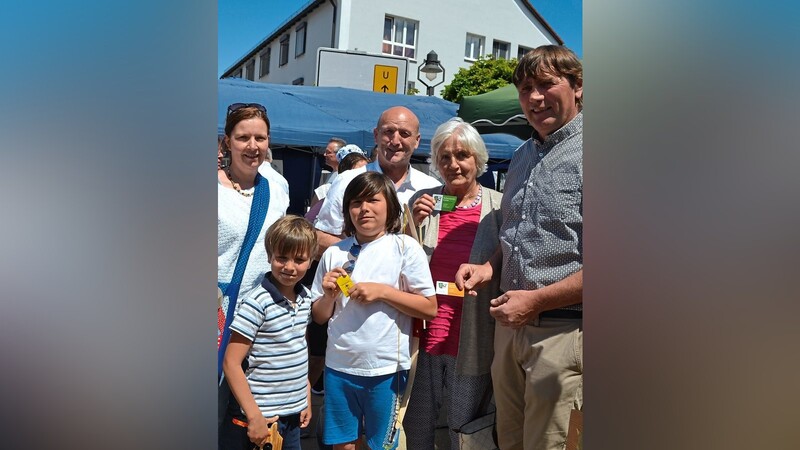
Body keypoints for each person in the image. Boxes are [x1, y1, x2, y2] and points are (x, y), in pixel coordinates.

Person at [455, 45, 583, 450]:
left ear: (578, 87)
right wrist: (489, 267)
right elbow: (515, 232)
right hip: (510, 331)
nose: (535, 97)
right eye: (526, 88)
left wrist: (537, 300)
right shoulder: (523, 154)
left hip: (563, 333)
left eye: (547, 84)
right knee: (508, 441)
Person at [310, 172, 438, 450]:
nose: (364, 208)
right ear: (347, 210)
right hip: (338, 367)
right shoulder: (335, 253)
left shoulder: (405, 248)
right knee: (342, 445)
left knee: (380, 445)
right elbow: (319, 316)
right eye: (356, 202)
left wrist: (383, 292)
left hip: (385, 369)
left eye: (372, 200)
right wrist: (329, 296)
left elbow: (429, 308)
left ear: (390, 206)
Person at [404, 117, 503, 449]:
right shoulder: (424, 201)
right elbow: (402, 261)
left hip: (474, 333)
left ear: (477, 159)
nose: (453, 164)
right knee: (416, 422)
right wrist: (410, 224)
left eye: (462, 155)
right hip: (426, 328)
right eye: (444, 157)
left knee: (467, 425)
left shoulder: (498, 206)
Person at [218, 102, 290, 433]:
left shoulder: (277, 188)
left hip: (258, 320)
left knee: (245, 419)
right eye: (243, 137)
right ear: (227, 142)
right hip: (214, 316)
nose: (252, 146)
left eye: (260, 138)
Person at [221, 215, 317, 450]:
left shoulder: (306, 297)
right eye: (281, 258)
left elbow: (297, 350)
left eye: (299, 259)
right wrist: (253, 416)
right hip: (260, 419)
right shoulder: (257, 302)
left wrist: (305, 396)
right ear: (269, 256)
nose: (289, 266)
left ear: (311, 260)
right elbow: (231, 363)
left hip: (292, 417)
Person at [313, 106, 441, 257]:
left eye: (404, 134)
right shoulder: (347, 181)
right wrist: (367, 258)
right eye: (388, 132)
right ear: (376, 135)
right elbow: (320, 238)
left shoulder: (431, 187)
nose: (395, 141)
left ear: (417, 141)